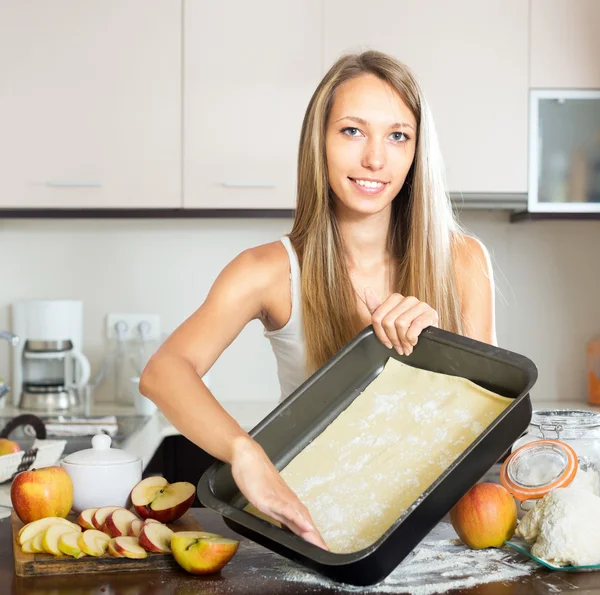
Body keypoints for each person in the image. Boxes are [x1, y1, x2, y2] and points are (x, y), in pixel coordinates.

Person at [139, 50, 496, 551]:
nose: (375, 159)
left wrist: (441, 351)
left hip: (433, 536)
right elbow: (164, 372)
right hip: (316, 530)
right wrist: (246, 453)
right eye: (352, 131)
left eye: (398, 135)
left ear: (417, 151)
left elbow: (488, 434)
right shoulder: (268, 270)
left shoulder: (464, 261)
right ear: (319, 143)